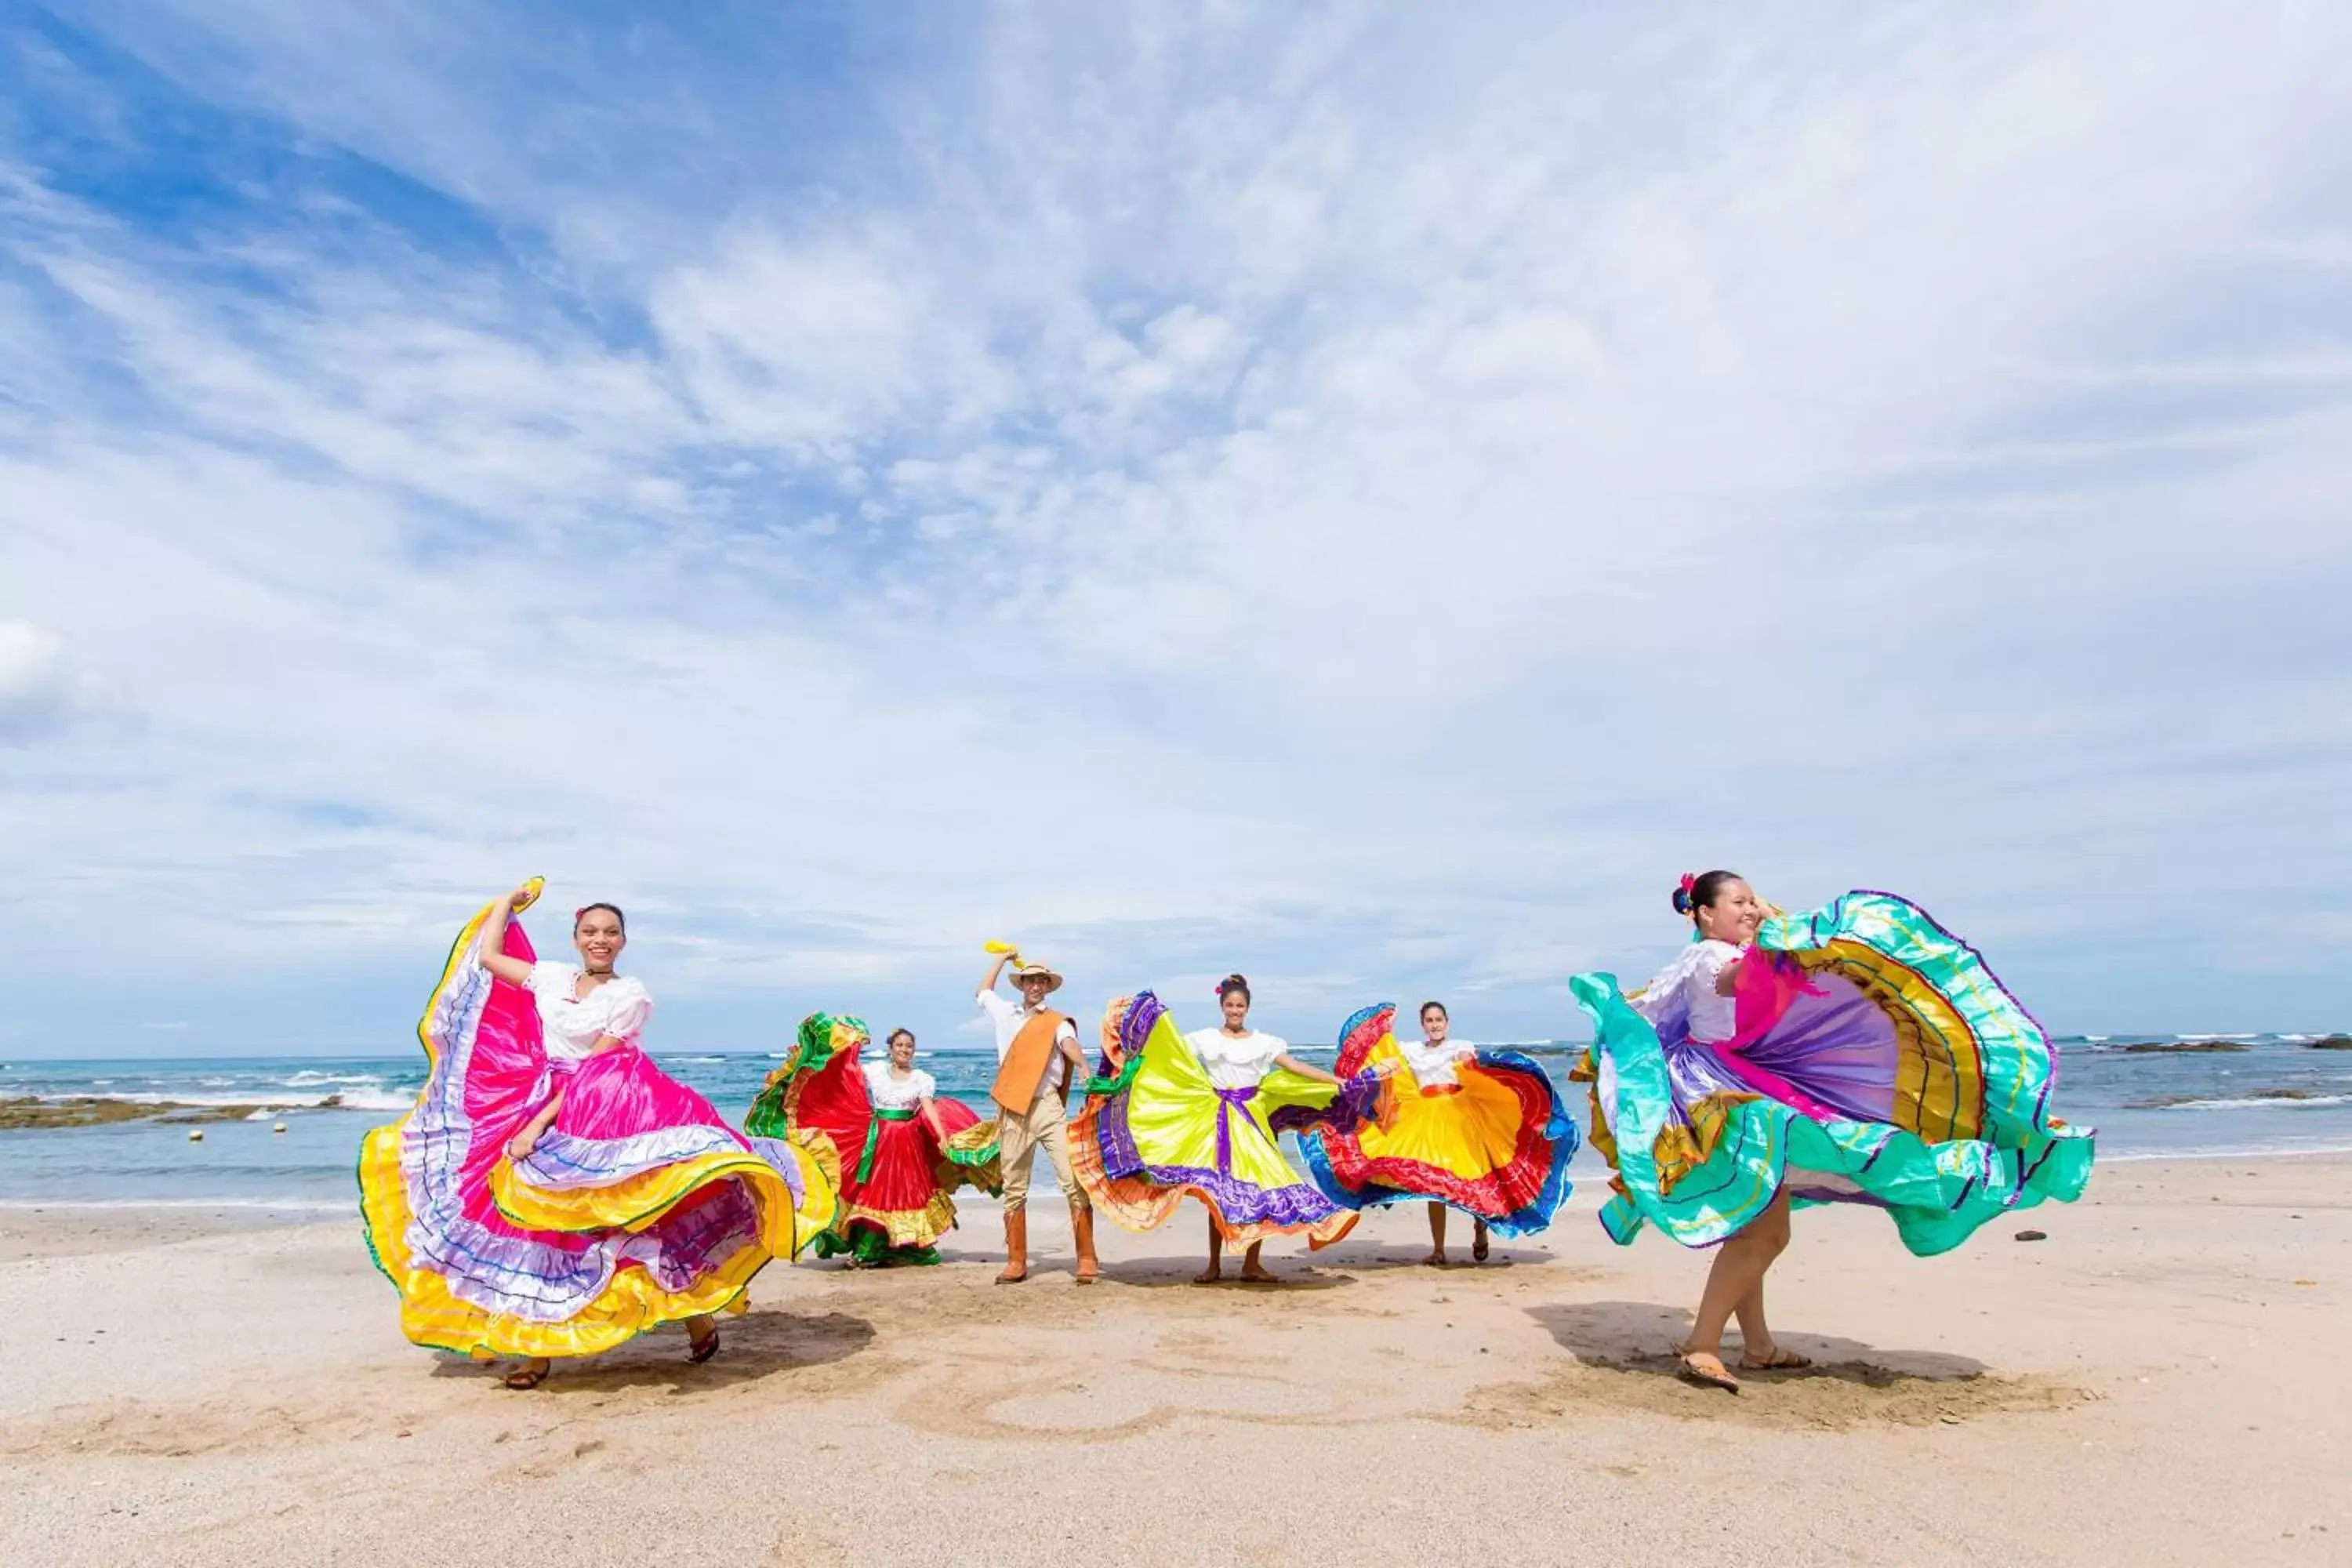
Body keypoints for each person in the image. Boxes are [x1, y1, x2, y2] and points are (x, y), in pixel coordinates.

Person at [1569, 872, 2096, 1392]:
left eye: (1754, 900)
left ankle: (1757, 1346)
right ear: (1706, 914)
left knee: (1757, 1223)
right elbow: (1740, 980)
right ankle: (1703, 1345)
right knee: (1763, 1231)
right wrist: (1778, 937)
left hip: (1745, 1080)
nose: (1750, 909)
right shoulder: (1713, 956)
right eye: (1737, 902)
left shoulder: (1721, 952)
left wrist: (1777, 937)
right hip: (1727, 1092)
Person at [358, 880, 837, 1390]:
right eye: (590, 931)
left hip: (603, 1103)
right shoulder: (551, 978)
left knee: (628, 1220)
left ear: (623, 942)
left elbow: (597, 1068)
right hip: (543, 1094)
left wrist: (538, 1126)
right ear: (576, 937)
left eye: (610, 932)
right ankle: (533, 1350)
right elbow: (491, 956)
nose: (600, 939)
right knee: (533, 1228)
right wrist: (506, 903)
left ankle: (695, 1314)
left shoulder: (629, 995)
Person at [1072, 975, 1381, 1284]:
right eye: (1231, 1005)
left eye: (1241, 1006)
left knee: (1261, 1188)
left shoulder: (1264, 1043)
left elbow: (1296, 1067)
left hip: (1252, 1122)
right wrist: (1130, 1060)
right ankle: (1214, 1265)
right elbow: (1169, 1055)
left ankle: (1251, 1264)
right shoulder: (1206, 1038)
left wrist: (1335, 1081)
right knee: (1216, 1194)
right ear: (1222, 1007)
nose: (1235, 1010)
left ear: (1248, 1008)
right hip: (1216, 1122)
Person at [1294, 1000, 1576, 1265]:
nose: (1434, 1024)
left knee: (1477, 1179)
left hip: (1462, 1116)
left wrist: (1469, 1063)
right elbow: (1384, 1057)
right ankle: (1438, 1250)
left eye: (1438, 1019)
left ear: (1447, 1022)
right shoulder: (1412, 1050)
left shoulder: (1459, 1046)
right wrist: (1371, 1041)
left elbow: (1470, 1061)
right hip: (1425, 1118)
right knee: (1432, 1185)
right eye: (1429, 1020)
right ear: (1423, 1024)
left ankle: (1481, 1229)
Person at [746, 1018, 1000, 1268]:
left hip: (909, 1143)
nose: (904, 1049)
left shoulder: (921, 1078)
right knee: (876, 1192)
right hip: (879, 1140)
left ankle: (909, 1248)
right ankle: (869, 1250)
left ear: (914, 1050)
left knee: (907, 1192)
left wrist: (943, 1137)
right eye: (900, 1045)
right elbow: (844, 1071)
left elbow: (928, 1109)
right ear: (891, 1048)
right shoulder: (877, 1071)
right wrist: (840, 1046)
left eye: (909, 1046)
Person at [977, 947, 1098, 1284]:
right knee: (1014, 1185)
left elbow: (1070, 1045)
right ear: (1022, 985)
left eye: (1041, 981)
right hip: (1013, 1107)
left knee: (1071, 1179)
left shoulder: (1056, 1022)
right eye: (1030, 980)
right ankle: (1017, 1261)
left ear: (1047, 985)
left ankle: (1087, 1257)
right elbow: (982, 992)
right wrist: (1002, 959)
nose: (1035, 986)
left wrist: (1085, 1067)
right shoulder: (1006, 1013)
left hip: (1046, 1105)